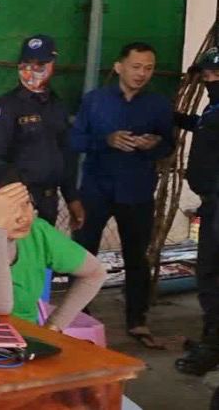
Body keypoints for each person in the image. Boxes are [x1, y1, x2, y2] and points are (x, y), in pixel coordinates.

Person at [70, 42, 174, 349]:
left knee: (136, 258)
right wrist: (107, 140)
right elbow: (76, 140)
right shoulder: (95, 101)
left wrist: (152, 144)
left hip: (137, 190)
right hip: (97, 189)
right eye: (136, 66)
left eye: (148, 68)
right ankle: (78, 316)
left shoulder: (158, 105)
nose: (142, 73)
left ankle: (137, 320)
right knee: (84, 255)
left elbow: (169, 145)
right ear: (119, 67)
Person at [0, 161, 106, 329]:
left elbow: (94, 273)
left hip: (24, 341)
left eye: (26, 203)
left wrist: (54, 327)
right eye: (8, 210)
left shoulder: (37, 232)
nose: (24, 217)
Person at [0, 34, 84, 229]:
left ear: (52, 64)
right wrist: (16, 200)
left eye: (40, 64)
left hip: (49, 201)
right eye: (26, 63)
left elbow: (66, 155)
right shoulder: (5, 108)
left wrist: (72, 198)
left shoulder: (57, 105)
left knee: (42, 254)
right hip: (19, 201)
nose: (31, 70)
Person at [175, 47, 219, 375]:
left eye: (216, 75)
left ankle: (213, 346)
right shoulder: (213, 109)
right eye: (207, 76)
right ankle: (211, 337)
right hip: (212, 202)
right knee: (207, 270)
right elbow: (205, 126)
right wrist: (179, 119)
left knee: (212, 272)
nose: (210, 80)